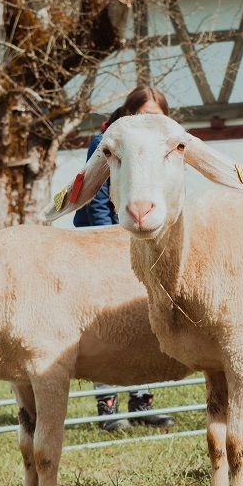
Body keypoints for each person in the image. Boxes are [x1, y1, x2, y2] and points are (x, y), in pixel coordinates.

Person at [75, 85, 176, 432]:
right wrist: (111, 240)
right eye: (145, 115)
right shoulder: (106, 142)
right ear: (130, 113)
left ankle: (142, 404)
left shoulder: (161, 145)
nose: (152, 123)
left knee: (142, 320)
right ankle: (108, 410)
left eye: (158, 117)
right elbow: (98, 198)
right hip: (106, 242)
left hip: (144, 240)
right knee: (106, 325)